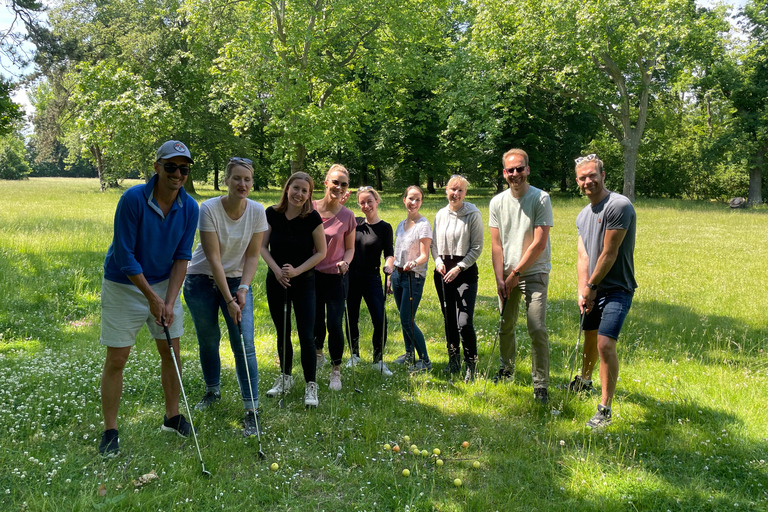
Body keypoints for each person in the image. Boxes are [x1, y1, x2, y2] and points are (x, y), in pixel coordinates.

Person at [98, 140, 199, 457]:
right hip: (124, 284)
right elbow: (125, 257)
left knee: (171, 353)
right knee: (118, 359)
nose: (177, 174)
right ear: (156, 167)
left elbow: (183, 257)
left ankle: (172, 417)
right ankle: (110, 430)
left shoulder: (190, 207)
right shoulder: (132, 199)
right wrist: (152, 299)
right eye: (171, 166)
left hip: (165, 283)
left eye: (183, 168)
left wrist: (168, 301)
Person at [183, 157, 267, 436]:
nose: (242, 184)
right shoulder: (207, 209)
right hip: (201, 280)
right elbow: (214, 259)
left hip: (236, 282)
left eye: (247, 179)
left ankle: (252, 409)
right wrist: (229, 300)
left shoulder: (257, 211)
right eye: (237, 178)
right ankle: (212, 391)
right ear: (227, 181)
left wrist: (241, 290)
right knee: (209, 340)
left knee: (244, 343)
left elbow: (253, 255)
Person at [572, 154, 637, 429]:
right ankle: (584, 381)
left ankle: (605, 407)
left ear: (602, 175)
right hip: (592, 288)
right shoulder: (583, 215)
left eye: (592, 175)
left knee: (604, 344)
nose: (588, 181)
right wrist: (582, 290)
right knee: (589, 338)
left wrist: (592, 286)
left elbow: (609, 254)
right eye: (582, 177)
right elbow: (583, 254)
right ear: (577, 181)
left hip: (616, 288)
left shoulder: (619, 205)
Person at [489, 148, 553, 405]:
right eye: (510, 170)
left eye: (519, 169)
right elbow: (496, 245)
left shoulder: (540, 198)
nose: (515, 174)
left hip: (534, 270)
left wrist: (516, 273)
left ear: (527, 170)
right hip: (506, 274)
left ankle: (541, 384)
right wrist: (500, 278)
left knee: (536, 327)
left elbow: (539, 243)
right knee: (506, 324)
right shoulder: (497, 202)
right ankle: (506, 369)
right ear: (505, 173)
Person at [260, 172, 327, 407]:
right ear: (287, 188)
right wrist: (277, 270)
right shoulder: (271, 214)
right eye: (295, 188)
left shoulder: (312, 217)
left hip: (304, 282)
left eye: (304, 190)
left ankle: (311, 385)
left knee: (306, 335)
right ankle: (285, 377)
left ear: (309, 194)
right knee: (283, 331)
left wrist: (297, 271)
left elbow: (321, 252)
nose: (299, 194)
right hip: (276, 281)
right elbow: (262, 246)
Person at [431, 175, 483, 382]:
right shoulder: (441, 214)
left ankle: (471, 364)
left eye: (460, 190)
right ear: (446, 190)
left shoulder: (473, 214)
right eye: (453, 189)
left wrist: (459, 268)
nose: (456, 194)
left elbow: (477, 247)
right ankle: (453, 361)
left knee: (464, 321)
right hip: (443, 273)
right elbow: (433, 244)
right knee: (449, 319)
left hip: (465, 273)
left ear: (465, 193)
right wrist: (436, 261)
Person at [312, 164, 356, 391]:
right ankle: (318, 353)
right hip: (312, 275)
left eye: (344, 184)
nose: (339, 187)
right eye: (335, 182)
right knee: (316, 321)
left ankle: (336, 369)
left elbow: (350, 249)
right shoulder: (309, 209)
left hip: (336, 276)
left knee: (335, 324)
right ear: (326, 182)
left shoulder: (348, 216)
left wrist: (346, 262)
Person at [347, 186, 395, 375]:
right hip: (351, 277)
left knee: (380, 319)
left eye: (369, 201)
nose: (366, 206)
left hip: (373, 277)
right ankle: (354, 354)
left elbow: (389, 253)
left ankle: (378, 359)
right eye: (362, 203)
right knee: (351, 317)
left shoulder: (385, 228)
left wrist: (389, 266)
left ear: (377, 201)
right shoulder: (355, 222)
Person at [391, 186, 433, 373]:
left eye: (417, 199)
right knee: (403, 318)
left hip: (413, 277)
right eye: (410, 198)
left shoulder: (423, 225)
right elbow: (396, 252)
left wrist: (413, 263)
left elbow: (425, 255)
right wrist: (390, 274)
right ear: (404, 199)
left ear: (421, 202)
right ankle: (409, 354)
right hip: (397, 276)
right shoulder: (401, 225)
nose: (413, 203)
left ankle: (424, 360)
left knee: (407, 319)